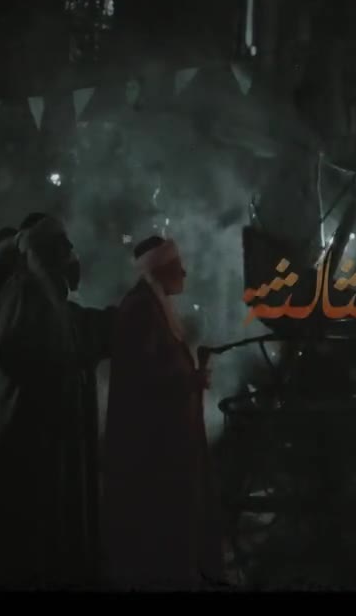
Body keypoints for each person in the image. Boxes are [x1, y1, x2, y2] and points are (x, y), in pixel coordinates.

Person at [0, 215, 114, 589]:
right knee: (34, 526)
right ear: (42, 251)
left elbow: (83, 330)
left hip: (53, 434)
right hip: (31, 434)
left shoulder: (51, 297)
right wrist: (68, 361)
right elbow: (20, 355)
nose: (70, 251)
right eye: (61, 245)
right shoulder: (24, 290)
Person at [104, 236, 225, 589]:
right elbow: (143, 377)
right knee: (163, 516)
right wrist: (190, 380)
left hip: (169, 435)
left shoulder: (153, 304)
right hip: (157, 441)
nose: (183, 273)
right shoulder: (142, 309)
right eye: (177, 267)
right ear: (160, 270)